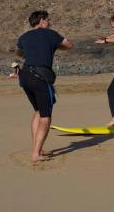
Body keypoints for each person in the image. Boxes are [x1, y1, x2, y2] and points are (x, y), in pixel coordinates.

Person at [17, 10, 74, 162]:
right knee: (46, 117)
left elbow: (19, 52)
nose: (49, 23)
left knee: (38, 111)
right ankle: (36, 154)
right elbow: (69, 45)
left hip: (25, 75)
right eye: (48, 20)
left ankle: (38, 148)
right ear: (42, 21)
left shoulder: (24, 37)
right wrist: (54, 46)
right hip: (40, 76)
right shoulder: (50, 34)